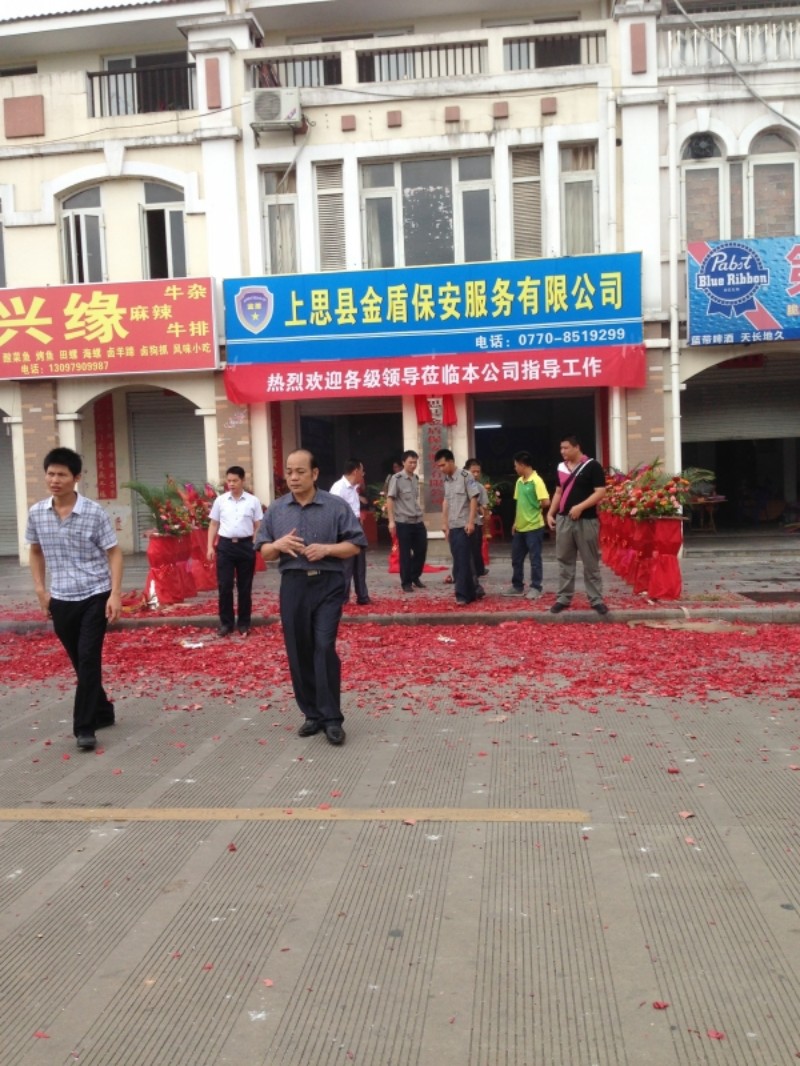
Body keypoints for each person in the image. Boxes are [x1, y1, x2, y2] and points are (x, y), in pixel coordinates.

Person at [255, 448, 367, 746]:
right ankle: (312, 714)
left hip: (328, 585)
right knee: (299, 649)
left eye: (300, 471)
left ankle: (332, 718)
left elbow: (355, 544)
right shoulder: (277, 509)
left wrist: (327, 549)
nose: (293, 477)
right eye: (289, 472)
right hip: (293, 585)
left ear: (315, 474)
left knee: (324, 646)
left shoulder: (335, 506)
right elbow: (265, 552)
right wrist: (278, 545)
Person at [26, 447, 123, 751]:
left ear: (76, 478)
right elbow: (35, 551)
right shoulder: (37, 513)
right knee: (80, 661)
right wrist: (41, 590)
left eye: (62, 475)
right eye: (51, 474)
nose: (55, 480)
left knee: (88, 657)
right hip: (61, 598)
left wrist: (115, 594)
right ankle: (103, 710)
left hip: (95, 593)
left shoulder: (93, 512)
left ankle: (85, 727)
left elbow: (114, 552)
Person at [546, 435, 608, 615]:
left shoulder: (592, 466)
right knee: (564, 561)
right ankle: (563, 598)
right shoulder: (561, 468)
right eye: (561, 448)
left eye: (566, 448)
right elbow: (558, 492)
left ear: (576, 447)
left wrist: (581, 507)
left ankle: (596, 599)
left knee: (590, 562)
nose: (562, 451)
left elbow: (600, 492)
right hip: (564, 520)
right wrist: (550, 513)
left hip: (586, 521)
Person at [206, 466, 264, 637]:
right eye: (229, 481)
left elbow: (258, 524)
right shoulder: (221, 501)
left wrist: (255, 541)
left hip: (246, 546)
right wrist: (210, 546)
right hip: (225, 546)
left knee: (245, 587)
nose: (231, 484)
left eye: (235, 481)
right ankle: (226, 624)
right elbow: (213, 524)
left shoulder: (253, 501)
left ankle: (244, 623)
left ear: (242, 480)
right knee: (225, 585)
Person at [435, 448, 481, 605]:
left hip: (464, 525)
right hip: (453, 525)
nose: (441, 469)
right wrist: (444, 523)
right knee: (460, 560)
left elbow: (474, 498)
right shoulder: (447, 480)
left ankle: (461, 594)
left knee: (461, 562)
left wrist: (471, 522)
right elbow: (446, 502)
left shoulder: (466, 476)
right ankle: (471, 593)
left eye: (443, 465)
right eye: (439, 466)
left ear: (451, 461)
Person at [501, 450, 550, 600]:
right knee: (516, 558)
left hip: (534, 527)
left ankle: (536, 587)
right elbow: (519, 504)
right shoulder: (519, 482)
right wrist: (516, 522)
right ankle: (517, 586)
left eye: (516, 465)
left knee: (535, 559)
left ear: (522, 465)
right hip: (520, 527)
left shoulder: (537, 481)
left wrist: (535, 507)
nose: (515, 468)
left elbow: (546, 501)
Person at [386, 449, 428, 593]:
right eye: (410, 462)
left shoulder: (415, 478)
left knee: (421, 550)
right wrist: (391, 521)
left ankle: (415, 576)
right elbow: (390, 499)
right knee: (405, 553)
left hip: (417, 520)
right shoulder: (396, 478)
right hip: (403, 521)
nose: (413, 465)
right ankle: (406, 582)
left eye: (415, 462)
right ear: (403, 462)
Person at [330, 458, 371, 605]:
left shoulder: (354, 487)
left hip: (357, 526)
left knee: (360, 563)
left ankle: (363, 596)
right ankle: (343, 597)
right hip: (344, 528)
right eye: (362, 471)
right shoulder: (338, 488)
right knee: (346, 564)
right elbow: (333, 512)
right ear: (355, 471)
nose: (363, 474)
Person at [465, 458, 491, 580]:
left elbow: (484, 507)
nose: (475, 474)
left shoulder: (481, 488)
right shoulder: (460, 485)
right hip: (462, 522)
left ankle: (477, 571)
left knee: (476, 548)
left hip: (476, 522)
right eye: (473, 471)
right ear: (466, 471)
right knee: (465, 550)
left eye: (478, 472)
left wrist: (483, 511)